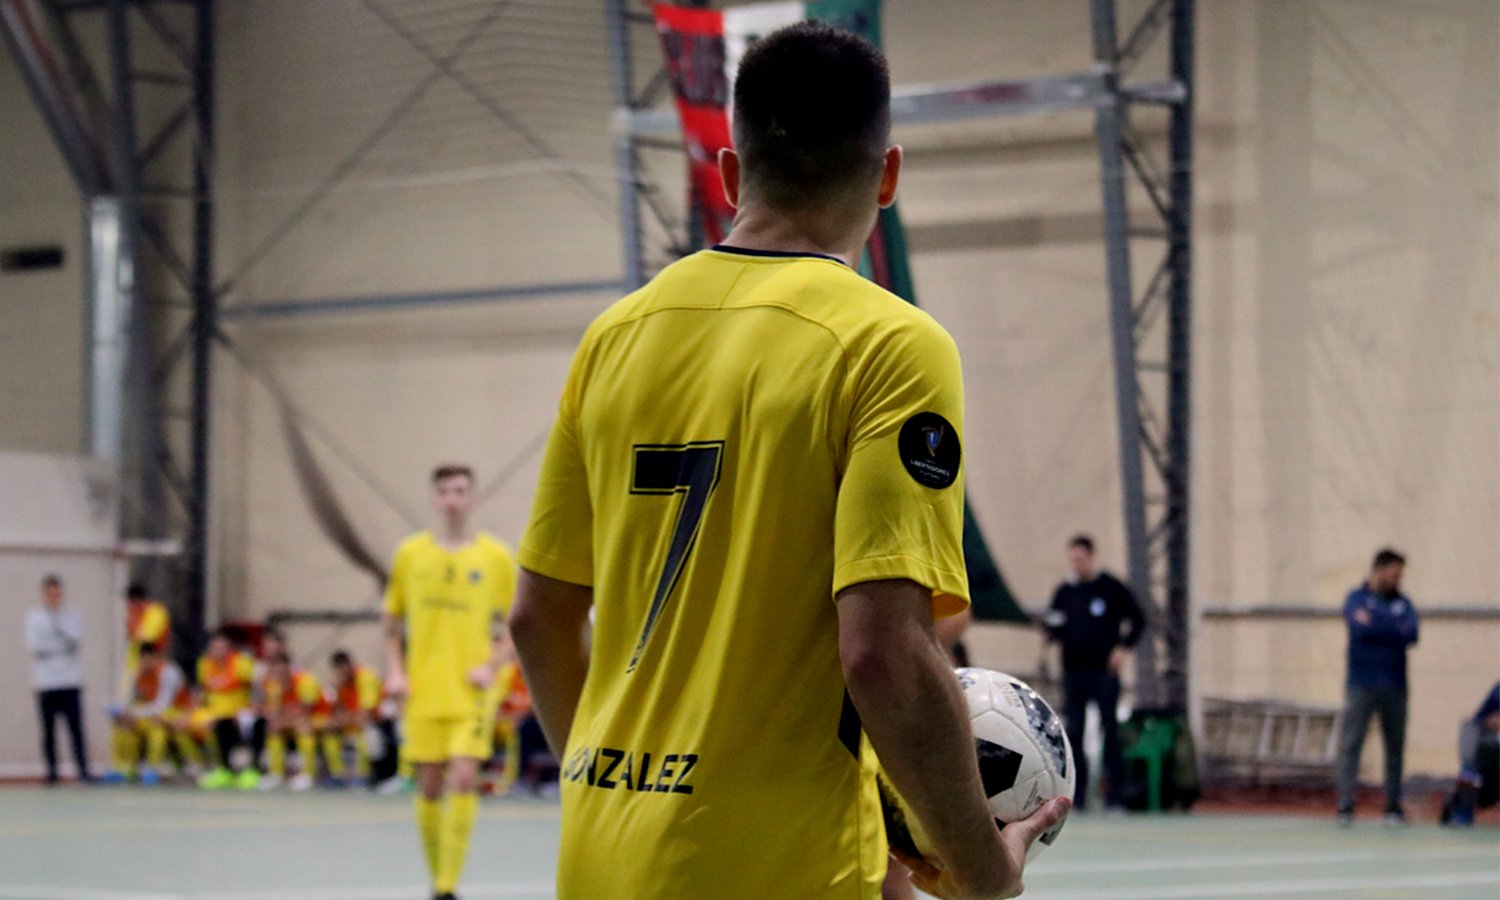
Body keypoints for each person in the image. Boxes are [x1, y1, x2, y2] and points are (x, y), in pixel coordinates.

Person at [508, 22, 1066, 900]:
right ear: (887, 176)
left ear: (730, 174)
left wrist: (617, 788)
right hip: (775, 870)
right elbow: (883, 650)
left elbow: (536, 621)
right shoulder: (887, 343)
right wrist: (984, 870)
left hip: (601, 856)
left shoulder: (614, 339)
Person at [383, 464, 517, 900]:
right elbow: (391, 622)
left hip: (473, 692)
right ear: (434, 499)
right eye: (445, 492)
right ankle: (436, 874)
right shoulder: (411, 555)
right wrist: (396, 672)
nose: (453, 499)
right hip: (424, 689)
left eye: (461, 491)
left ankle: (447, 886)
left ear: (473, 498)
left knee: (463, 777)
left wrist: (492, 664)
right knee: (430, 785)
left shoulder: (494, 557)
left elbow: (520, 623)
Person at [1043, 534, 1145, 812]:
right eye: (1072, 560)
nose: (1076, 565)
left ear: (1090, 557)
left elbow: (1138, 619)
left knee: (1110, 731)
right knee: (1073, 733)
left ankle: (1115, 797)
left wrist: (1122, 648)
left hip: (1103, 673)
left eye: (1080, 559)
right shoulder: (1065, 591)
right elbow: (1053, 624)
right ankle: (1078, 797)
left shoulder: (1110, 588)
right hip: (1074, 673)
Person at [1336, 548, 1419, 826]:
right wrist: (1392, 628)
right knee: (1351, 744)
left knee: (1394, 747)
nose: (1397, 579)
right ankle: (1346, 806)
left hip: (1395, 685)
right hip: (1361, 684)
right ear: (1379, 570)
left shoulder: (1403, 602)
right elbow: (1360, 629)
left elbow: (1411, 633)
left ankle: (1392, 807)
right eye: (1394, 574)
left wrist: (1378, 624)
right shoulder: (1355, 598)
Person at [25, 574, 92, 784]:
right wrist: (59, 643)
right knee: (49, 730)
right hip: (46, 682)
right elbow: (36, 647)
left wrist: (58, 632)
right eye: (50, 594)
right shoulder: (34, 617)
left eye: (58, 594)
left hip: (70, 679)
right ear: (45, 594)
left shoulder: (72, 616)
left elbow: (76, 639)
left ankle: (82, 770)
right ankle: (52, 772)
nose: (54, 598)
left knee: (76, 728)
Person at [106, 644, 186, 784]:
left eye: (147, 659)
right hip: (150, 714)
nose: (144, 663)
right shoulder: (137, 672)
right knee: (122, 726)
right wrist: (123, 713)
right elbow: (126, 700)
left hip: (175, 713)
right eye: (141, 659)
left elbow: (163, 705)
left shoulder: (169, 672)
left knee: (157, 729)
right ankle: (123, 767)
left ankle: (151, 768)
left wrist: (135, 712)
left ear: (156, 657)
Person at [252, 651, 327, 791]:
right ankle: (276, 774)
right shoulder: (273, 686)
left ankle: (308, 774)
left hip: (321, 718)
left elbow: (306, 713)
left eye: (282, 672)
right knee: (273, 728)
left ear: (289, 668)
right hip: (293, 722)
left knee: (303, 726)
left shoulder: (305, 681)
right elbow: (275, 714)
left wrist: (284, 721)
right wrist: (280, 721)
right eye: (275, 672)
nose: (279, 676)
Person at [196, 629, 259, 790]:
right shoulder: (205, 664)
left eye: (221, 648)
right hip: (213, 711)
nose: (217, 652)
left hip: (239, 709)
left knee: (242, 723)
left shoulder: (240, 663)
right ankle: (218, 769)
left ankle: (249, 770)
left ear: (229, 649)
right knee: (195, 723)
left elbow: (255, 689)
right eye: (214, 648)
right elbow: (203, 692)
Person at [1441, 681, 1499, 827]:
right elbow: (1478, 719)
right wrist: (1491, 721)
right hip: (1492, 755)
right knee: (1470, 760)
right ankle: (1461, 814)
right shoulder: (1498, 690)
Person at [325, 649, 382, 786]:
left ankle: (364, 776)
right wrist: (337, 691)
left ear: (350, 664)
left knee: (363, 735)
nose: (342, 673)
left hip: (377, 724)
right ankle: (337, 775)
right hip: (352, 724)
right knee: (330, 734)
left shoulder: (366, 677)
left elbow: (366, 714)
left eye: (344, 668)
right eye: (339, 670)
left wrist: (343, 720)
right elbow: (335, 713)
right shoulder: (340, 684)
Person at [122, 583, 170, 688]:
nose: (128, 607)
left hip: (152, 659)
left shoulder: (155, 611)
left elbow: (147, 637)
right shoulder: (134, 614)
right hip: (136, 662)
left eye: (129, 603)